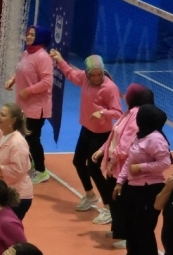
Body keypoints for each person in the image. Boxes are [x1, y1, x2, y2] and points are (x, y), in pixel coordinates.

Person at [50, 50, 123, 215]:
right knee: (78, 161)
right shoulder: (84, 78)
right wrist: (60, 60)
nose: (96, 78)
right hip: (87, 129)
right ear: (88, 73)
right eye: (93, 75)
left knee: (94, 168)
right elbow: (71, 74)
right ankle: (90, 195)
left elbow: (118, 112)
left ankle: (109, 207)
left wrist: (102, 113)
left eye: (99, 74)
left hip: (102, 134)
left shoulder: (110, 88)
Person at [117, 105, 172, 255]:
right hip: (134, 186)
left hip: (150, 189)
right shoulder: (140, 135)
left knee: (144, 227)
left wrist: (141, 168)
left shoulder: (156, 139)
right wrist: (120, 181)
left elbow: (165, 162)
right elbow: (129, 161)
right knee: (130, 222)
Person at [98, 85, 154, 237]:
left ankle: (124, 235)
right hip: (116, 163)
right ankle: (118, 230)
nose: (125, 96)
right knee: (114, 198)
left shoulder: (136, 115)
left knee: (121, 201)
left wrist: (112, 160)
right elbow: (115, 134)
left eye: (128, 94)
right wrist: (103, 150)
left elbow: (126, 144)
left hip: (123, 165)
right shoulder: (129, 112)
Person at [5, 24, 54, 182]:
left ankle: (41, 171)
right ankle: (31, 163)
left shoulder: (43, 57)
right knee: (24, 137)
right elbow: (20, 70)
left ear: (40, 38)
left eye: (32, 35)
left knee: (32, 139)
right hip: (23, 105)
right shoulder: (26, 53)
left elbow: (47, 82)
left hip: (36, 107)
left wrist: (28, 91)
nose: (28, 36)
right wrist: (12, 80)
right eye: (28, 34)